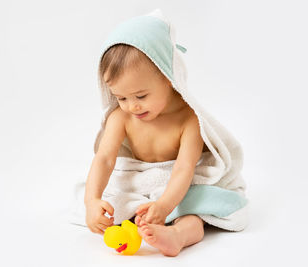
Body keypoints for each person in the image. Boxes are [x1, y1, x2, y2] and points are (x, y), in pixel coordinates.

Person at [81, 10, 247, 257]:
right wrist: (91, 201)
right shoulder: (121, 117)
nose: (131, 106)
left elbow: (184, 169)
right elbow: (104, 159)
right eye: (121, 97)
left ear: (168, 78)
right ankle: (137, 221)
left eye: (141, 96)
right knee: (117, 204)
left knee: (194, 211)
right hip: (139, 178)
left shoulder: (188, 119)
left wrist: (165, 205)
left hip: (178, 186)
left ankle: (178, 235)